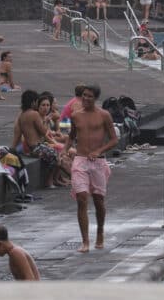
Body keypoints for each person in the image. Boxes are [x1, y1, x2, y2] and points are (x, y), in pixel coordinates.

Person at [64, 84, 117, 253]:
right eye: (84, 96)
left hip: (98, 162)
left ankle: (100, 232)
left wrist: (99, 151)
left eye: (90, 96)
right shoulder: (76, 116)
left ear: (96, 98)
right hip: (80, 160)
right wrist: (64, 150)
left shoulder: (104, 115)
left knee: (98, 200)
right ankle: (85, 240)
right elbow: (72, 136)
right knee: (81, 198)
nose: (86, 99)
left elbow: (114, 139)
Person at [12, 90, 58, 188]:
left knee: (53, 153)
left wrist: (12, 149)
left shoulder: (22, 115)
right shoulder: (34, 114)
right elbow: (43, 131)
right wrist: (46, 121)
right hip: (36, 147)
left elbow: (18, 134)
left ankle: (54, 180)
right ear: (33, 102)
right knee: (55, 155)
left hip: (28, 148)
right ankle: (49, 182)